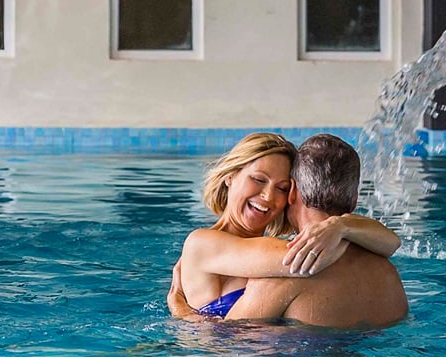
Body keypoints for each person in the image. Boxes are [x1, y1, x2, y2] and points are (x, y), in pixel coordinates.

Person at [167, 132, 401, 320]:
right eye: (258, 180)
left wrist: (340, 225)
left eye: (281, 188)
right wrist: (182, 314)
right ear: (230, 176)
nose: (268, 196)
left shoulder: (273, 253)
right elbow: (318, 257)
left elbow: (392, 244)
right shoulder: (202, 242)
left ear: (292, 194)